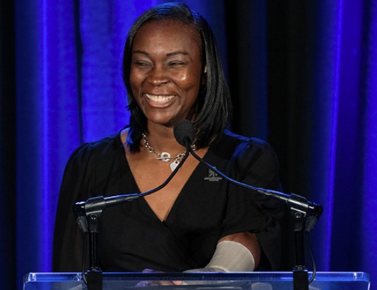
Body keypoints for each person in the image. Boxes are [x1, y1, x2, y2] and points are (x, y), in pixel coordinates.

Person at [53, 2, 285, 273]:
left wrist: (209, 279)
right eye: (142, 63)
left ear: (205, 69)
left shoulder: (244, 161)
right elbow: (67, 274)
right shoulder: (90, 166)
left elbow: (246, 237)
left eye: (175, 63)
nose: (156, 78)